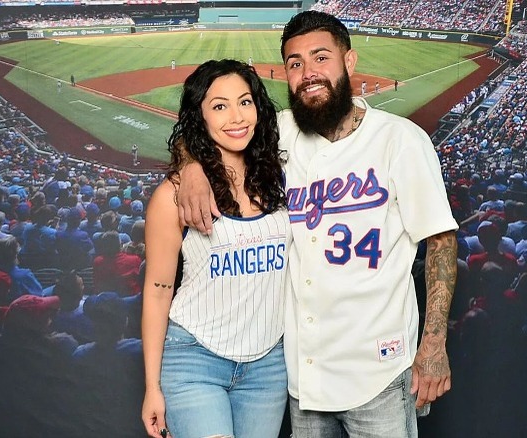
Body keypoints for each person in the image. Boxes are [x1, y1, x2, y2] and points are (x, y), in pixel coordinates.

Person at [175, 11, 458, 437]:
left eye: (320, 57)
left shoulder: (401, 139)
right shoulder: (281, 133)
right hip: (303, 375)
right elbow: (200, 129)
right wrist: (191, 164)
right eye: (295, 63)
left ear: (349, 61)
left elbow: (440, 239)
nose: (308, 73)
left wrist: (434, 343)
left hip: (378, 371)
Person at [141, 59, 289, 438]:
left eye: (245, 102)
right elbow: (158, 293)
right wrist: (152, 388)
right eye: (219, 106)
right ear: (200, 117)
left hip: (268, 365)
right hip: (195, 360)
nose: (237, 117)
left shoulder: (284, 171)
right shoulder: (173, 195)